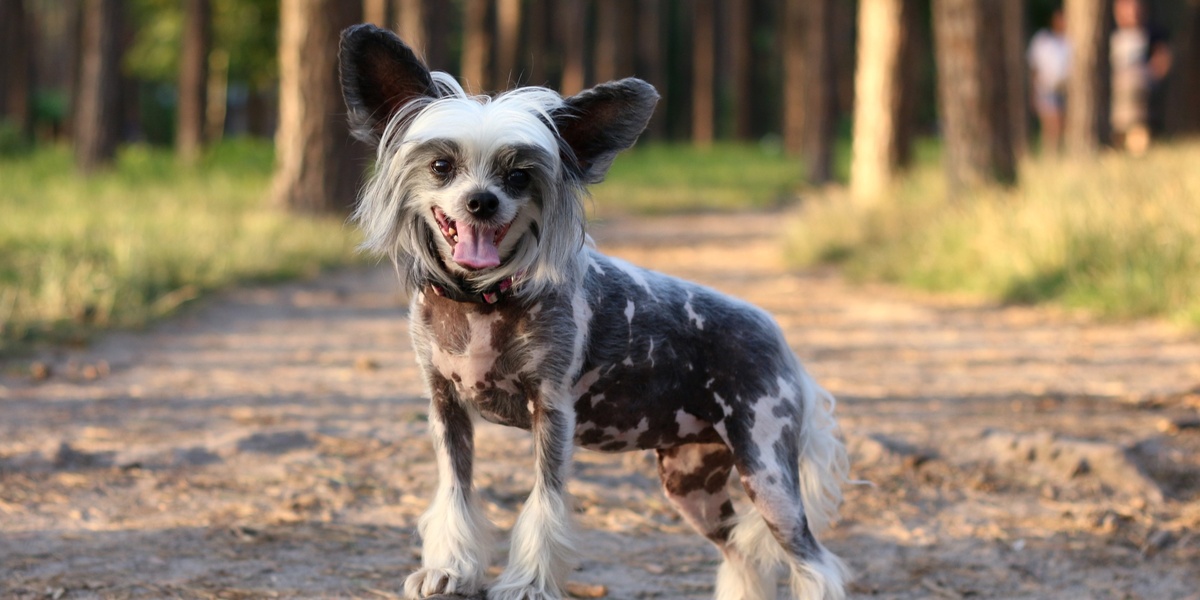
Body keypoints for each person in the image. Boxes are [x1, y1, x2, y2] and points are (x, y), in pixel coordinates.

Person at [1110, 0, 1173, 155]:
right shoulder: (1111, 34)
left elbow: (1163, 62)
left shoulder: (1153, 34)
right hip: (1114, 105)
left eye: (1135, 7)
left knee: (1138, 142)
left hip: (1141, 106)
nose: (1132, 12)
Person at [1028, 8, 1071, 155]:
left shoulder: (1069, 40)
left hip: (1065, 90)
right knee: (1051, 126)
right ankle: (1050, 154)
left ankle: (1061, 154)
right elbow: (1034, 68)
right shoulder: (1042, 40)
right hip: (1046, 90)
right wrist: (1033, 93)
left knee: (1064, 126)